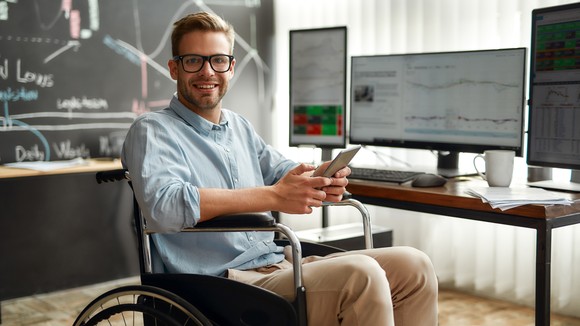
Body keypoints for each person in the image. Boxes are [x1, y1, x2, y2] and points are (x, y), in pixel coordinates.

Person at [122, 11, 438, 325]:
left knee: (415, 266)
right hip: (221, 283)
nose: (208, 71)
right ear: (174, 68)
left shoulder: (239, 127)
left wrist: (319, 177)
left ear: (231, 67)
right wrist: (274, 196)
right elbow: (164, 207)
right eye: (194, 61)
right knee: (362, 276)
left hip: (278, 264)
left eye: (218, 60)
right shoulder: (152, 129)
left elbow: (281, 171)